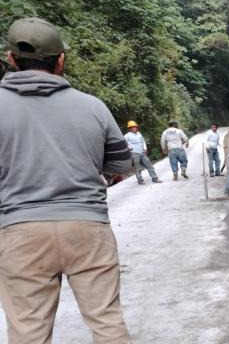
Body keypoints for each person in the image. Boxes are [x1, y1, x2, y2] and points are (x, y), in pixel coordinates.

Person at [0, 17, 133, 342]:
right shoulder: (93, 107)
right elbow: (121, 164)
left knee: (28, 332)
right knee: (107, 323)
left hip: (19, 230)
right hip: (87, 227)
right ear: (60, 59)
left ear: (10, 58)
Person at [124, 120, 162, 185]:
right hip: (134, 153)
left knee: (150, 166)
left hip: (142, 152)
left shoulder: (139, 134)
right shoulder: (127, 136)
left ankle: (155, 178)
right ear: (130, 128)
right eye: (133, 127)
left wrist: (145, 148)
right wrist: (128, 148)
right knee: (138, 168)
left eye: (135, 127)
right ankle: (140, 180)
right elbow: (123, 144)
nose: (135, 128)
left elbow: (143, 141)